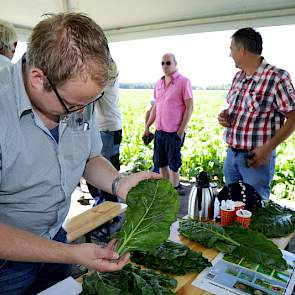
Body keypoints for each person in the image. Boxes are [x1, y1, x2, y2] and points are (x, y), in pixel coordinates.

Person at [0, 13, 159, 294]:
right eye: (73, 104)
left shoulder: (74, 93)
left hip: (55, 235)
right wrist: (70, 254)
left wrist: (118, 183)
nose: (81, 111)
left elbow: (89, 157)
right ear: (38, 78)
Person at [218, 27, 295, 200]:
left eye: (231, 49)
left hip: (256, 160)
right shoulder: (238, 77)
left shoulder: (277, 77)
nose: (230, 55)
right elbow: (235, 110)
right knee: (230, 208)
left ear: (242, 50)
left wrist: (267, 149)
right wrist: (225, 116)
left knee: (256, 214)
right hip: (232, 155)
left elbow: (293, 117)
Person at [144, 53, 193, 195]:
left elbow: (190, 107)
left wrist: (181, 131)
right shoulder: (158, 84)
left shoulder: (184, 82)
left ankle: (174, 190)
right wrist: (147, 126)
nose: (165, 66)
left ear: (175, 64)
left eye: (168, 63)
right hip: (160, 132)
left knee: (174, 165)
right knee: (160, 163)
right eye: (162, 63)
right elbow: (155, 107)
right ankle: (166, 192)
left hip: (174, 133)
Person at [87, 60, 122, 204]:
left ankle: (112, 210)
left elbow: (89, 94)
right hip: (105, 129)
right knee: (105, 167)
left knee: (107, 171)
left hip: (109, 130)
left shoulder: (107, 83)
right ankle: (104, 204)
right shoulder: (106, 81)